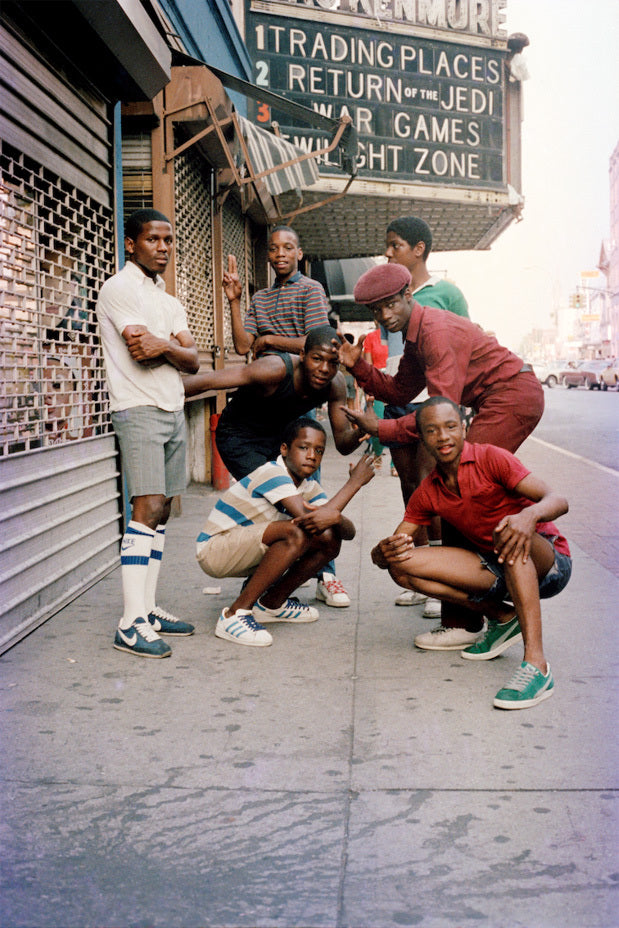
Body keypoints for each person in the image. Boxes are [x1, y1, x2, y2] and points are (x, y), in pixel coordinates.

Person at [339, 262, 545, 651]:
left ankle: (470, 619)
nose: (384, 316)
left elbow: (439, 418)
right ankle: (482, 612)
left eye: (390, 305)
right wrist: (358, 367)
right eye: (375, 310)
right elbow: (400, 391)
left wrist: (379, 429)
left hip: (512, 396)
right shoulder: (416, 339)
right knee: (458, 496)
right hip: (496, 399)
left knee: (461, 486)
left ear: (408, 296)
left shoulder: (434, 332)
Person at [371, 397, 571, 710]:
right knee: (401, 566)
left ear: (464, 428)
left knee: (508, 532)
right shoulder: (429, 490)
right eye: (432, 430)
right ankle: (503, 618)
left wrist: (528, 517)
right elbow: (398, 541)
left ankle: (537, 666)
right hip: (497, 567)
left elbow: (557, 499)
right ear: (423, 439)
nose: (443, 436)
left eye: (451, 426)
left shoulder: (491, 458)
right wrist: (380, 554)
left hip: (549, 563)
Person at [184, 326, 368, 607]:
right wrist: (156, 396)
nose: (324, 369)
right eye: (317, 359)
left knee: (292, 514)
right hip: (239, 438)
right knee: (291, 511)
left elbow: (343, 443)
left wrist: (362, 429)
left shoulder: (335, 385)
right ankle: (252, 595)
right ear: (302, 354)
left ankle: (268, 592)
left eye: (333, 363)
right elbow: (210, 380)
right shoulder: (274, 369)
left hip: (279, 441)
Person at [96, 208, 199, 659]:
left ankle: (148, 608)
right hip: (137, 407)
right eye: (153, 239)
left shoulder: (168, 299)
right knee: (147, 506)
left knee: (160, 514)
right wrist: (169, 346)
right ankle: (129, 622)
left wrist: (167, 347)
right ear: (130, 244)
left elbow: (193, 359)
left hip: (172, 406)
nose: (163, 248)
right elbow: (140, 349)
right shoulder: (118, 289)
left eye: (168, 240)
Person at [197, 417, 376, 646]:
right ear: (284, 449)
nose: (312, 455)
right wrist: (353, 484)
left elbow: (346, 533)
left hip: (246, 550)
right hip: (215, 550)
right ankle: (234, 614)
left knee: (330, 539)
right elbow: (308, 518)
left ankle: (271, 604)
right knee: (297, 532)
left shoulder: (309, 487)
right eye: (304, 447)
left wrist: (337, 517)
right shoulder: (272, 473)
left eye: (319, 451)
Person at [382, 216, 470, 614]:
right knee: (410, 491)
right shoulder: (395, 294)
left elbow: (463, 344)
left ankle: (441, 580)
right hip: (401, 395)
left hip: (434, 403)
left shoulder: (445, 291)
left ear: (418, 250)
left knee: (432, 486)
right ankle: (420, 570)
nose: (388, 252)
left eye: (396, 245)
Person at [223, 225, 330, 358]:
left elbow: (316, 344)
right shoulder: (260, 298)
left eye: (288, 248)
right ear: (268, 256)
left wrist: (268, 340)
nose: (280, 254)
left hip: (296, 371)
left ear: (299, 254)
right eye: (273, 249)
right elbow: (242, 347)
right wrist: (234, 301)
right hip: (264, 371)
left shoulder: (311, 289)